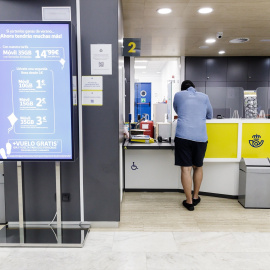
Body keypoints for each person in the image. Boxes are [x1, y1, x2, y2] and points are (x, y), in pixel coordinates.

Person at [173, 80, 213, 211]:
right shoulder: (204, 97)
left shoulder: (178, 95)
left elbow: (178, 110)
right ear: (194, 88)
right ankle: (196, 197)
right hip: (200, 137)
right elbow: (210, 115)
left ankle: (189, 202)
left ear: (182, 89)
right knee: (198, 166)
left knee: (186, 169)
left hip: (183, 135)